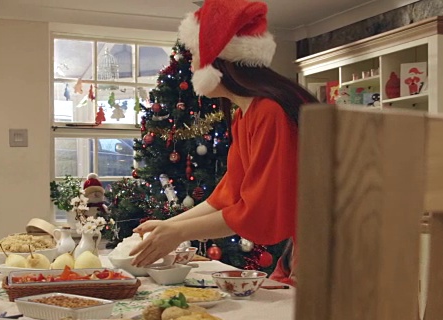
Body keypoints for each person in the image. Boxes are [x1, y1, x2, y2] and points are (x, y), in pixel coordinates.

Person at [130, 0, 318, 285]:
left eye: (194, 55)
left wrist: (179, 233)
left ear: (216, 60)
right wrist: (169, 226)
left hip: (333, 246)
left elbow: (260, 212)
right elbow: (228, 195)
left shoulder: (270, 112)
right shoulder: (246, 114)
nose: (191, 65)